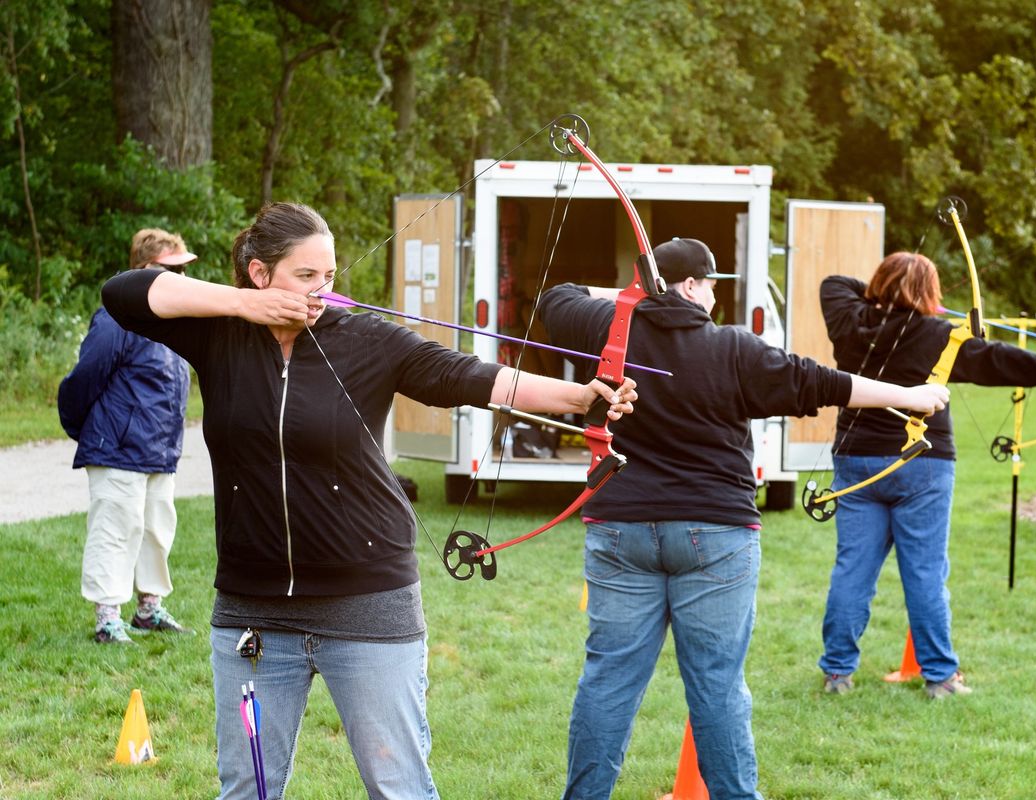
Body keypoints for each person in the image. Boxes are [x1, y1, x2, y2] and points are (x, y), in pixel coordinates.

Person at [100, 202, 637, 800]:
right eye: (305, 277)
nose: (321, 291)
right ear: (259, 274)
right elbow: (123, 293)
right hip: (252, 609)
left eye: (329, 277)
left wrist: (581, 397)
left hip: (367, 601)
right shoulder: (221, 333)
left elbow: (467, 376)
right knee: (246, 789)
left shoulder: (365, 338)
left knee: (398, 786)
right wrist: (244, 307)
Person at [537, 237, 951, 800]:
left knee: (607, 679)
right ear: (689, 286)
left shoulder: (607, 329)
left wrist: (637, 295)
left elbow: (555, 297)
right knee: (716, 686)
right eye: (708, 284)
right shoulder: (733, 347)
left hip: (620, 532)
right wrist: (912, 396)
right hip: (716, 536)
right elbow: (823, 383)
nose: (713, 296)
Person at [816, 252, 1036, 699]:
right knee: (926, 572)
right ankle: (940, 679)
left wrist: (884, 296)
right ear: (930, 294)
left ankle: (837, 674)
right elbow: (1002, 361)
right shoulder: (941, 336)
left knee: (853, 568)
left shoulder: (850, 321)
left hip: (858, 461)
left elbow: (837, 280)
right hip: (922, 463)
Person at [59, 228, 197, 644]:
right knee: (115, 530)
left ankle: (148, 611)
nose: (182, 279)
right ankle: (107, 619)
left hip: (160, 449)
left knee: (156, 530)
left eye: (184, 270)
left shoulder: (177, 321)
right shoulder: (118, 316)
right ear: (144, 270)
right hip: (117, 447)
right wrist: (83, 427)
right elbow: (85, 377)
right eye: (172, 269)